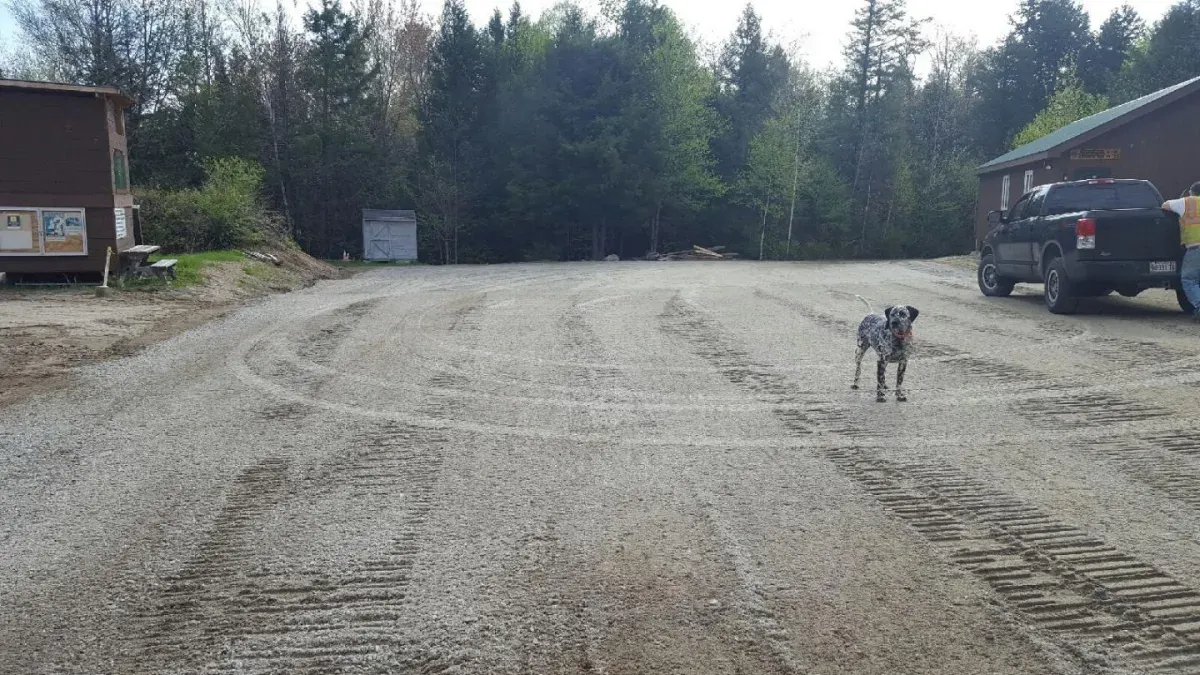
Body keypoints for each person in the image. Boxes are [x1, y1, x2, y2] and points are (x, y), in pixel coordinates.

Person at [1165, 182, 1200, 317]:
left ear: (1191, 192)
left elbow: (1165, 205)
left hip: (1196, 248)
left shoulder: (1187, 202)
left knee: (1189, 279)